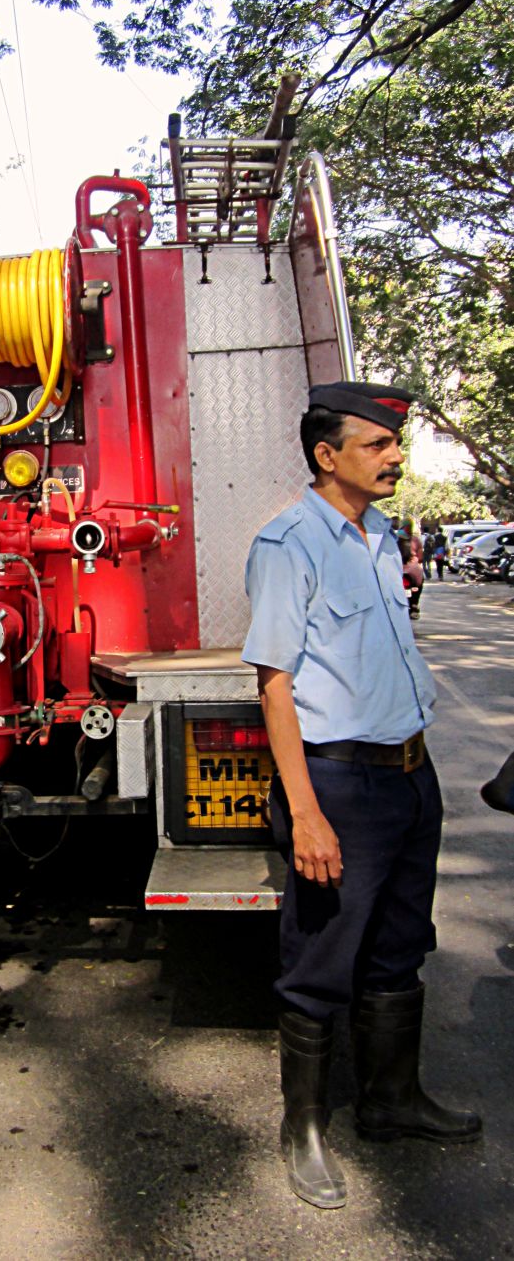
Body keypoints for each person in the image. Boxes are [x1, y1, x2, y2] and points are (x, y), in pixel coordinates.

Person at [242, 380, 481, 1211]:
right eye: (376, 444)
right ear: (326, 454)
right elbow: (275, 686)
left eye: (392, 443)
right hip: (339, 782)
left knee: (399, 947)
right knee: (319, 964)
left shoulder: (376, 533)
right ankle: (301, 1131)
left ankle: (390, 1103)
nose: (393, 457)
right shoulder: (289, 543)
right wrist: (304, 811)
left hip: (411, 776)